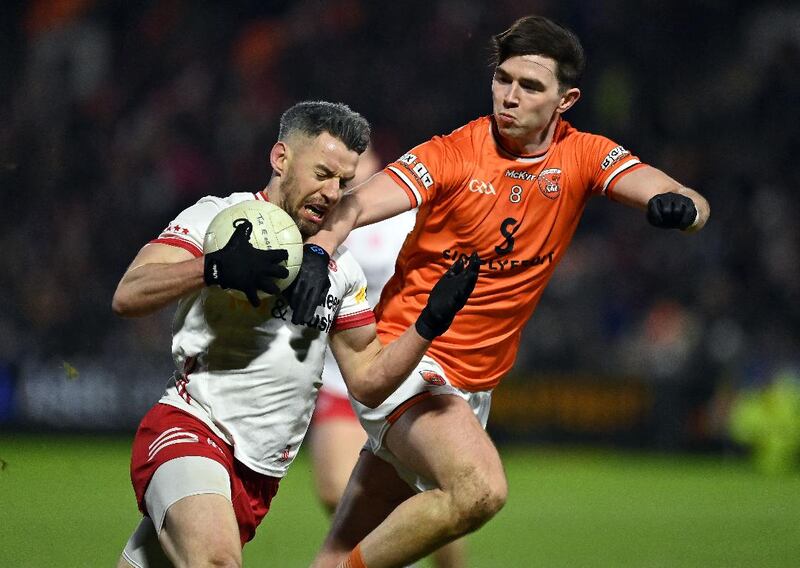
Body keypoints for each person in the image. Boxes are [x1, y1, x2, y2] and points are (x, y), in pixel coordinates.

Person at [288, 16, 711, 568]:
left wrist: (680, 208)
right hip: (408, 360)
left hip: (471, 384)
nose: (509, 97)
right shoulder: (453, 153)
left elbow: (681, 194)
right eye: (503, 79)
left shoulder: (582, 156)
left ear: (567, 98)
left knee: (338, 548)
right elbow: (359, 204)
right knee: (479, 489)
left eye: (530, 86)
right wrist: (319, 251)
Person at [111, 100, 479, 568]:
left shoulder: (340, 266)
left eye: (343, 182)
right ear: (281, 158)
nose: (332, 192)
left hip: (258, 475)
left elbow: (366, 377)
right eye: (322, 173)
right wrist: (214, 266)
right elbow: (129, 293)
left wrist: (428, 324)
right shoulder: (222, 219)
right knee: (216, 561)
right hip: (191, 429)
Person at [308, 146, 467, 567]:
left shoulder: (405, 217)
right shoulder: (320, 219)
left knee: (441, 492)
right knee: (334, 491)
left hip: (403, 369)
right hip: (341, 372)